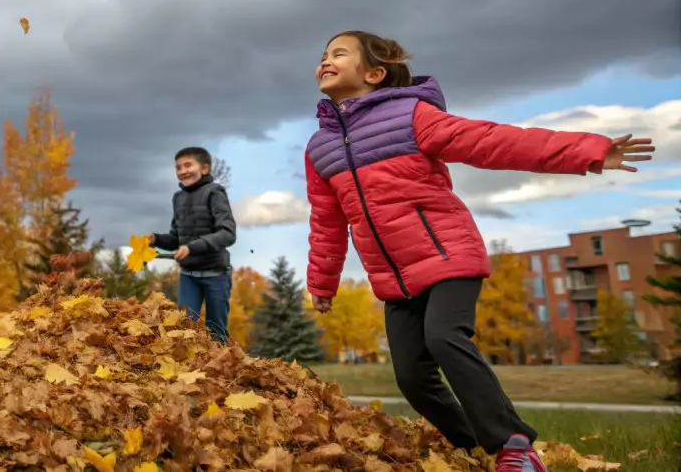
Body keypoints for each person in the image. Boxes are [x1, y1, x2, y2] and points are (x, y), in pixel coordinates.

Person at [303, 31, 654, 472]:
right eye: (322, 56)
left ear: (374, 73)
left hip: (448, 253)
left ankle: (515, 446)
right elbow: (327, 220)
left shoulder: (412, 116)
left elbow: (494, 141)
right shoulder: (320, 148)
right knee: (412, 379)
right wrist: (322, 282)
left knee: (444, 337)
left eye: (338, 53)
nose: (325, 61)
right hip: (394, 279)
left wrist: (588, 150)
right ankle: (471, 452)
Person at [147, 146, 238, 342]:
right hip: (188, 276)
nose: (182, 171)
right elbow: (176, 239)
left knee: (215, 330)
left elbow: (227, 233)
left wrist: (192, 247)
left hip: (216, 274)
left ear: (204, 169)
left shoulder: (215, 193)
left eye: (188, 165)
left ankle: (219, 369)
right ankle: (191, 371)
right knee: (186, 328)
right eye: (178, 167)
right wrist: (157, 239)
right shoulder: (178, 198)